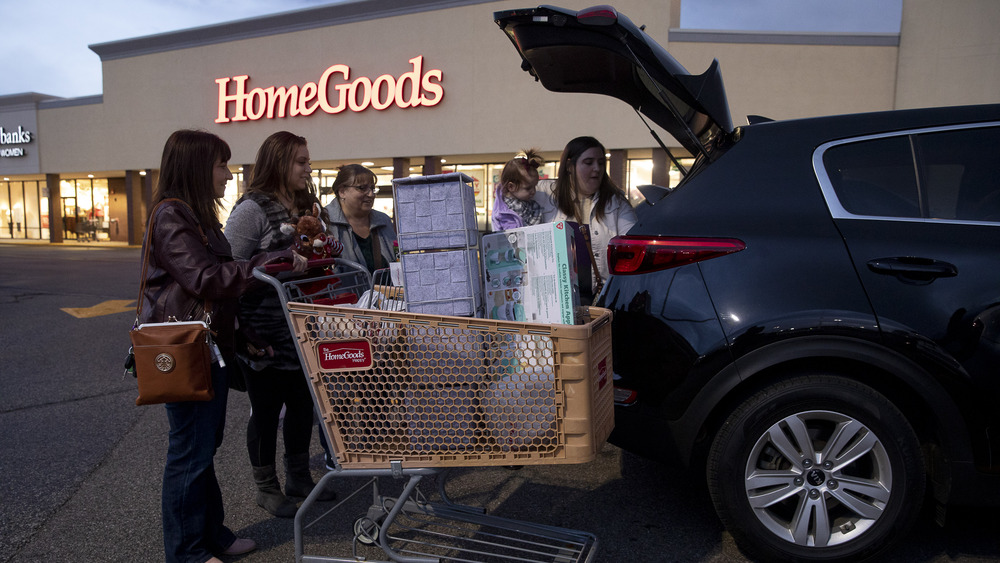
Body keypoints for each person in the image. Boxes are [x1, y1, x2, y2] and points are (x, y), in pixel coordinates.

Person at [141, 129, 305, 563]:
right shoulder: (171, 216)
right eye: (221, 164)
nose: (229, 174)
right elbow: (205, 279)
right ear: (197, 167)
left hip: (208, 344)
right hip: (184, 350)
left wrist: (243, 336)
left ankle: (212, 535)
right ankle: (187, 552)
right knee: (189, 452)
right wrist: (268, 263)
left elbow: (216, 288)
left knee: (202, 449)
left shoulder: (197, 215)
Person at [224, 131, 334, 518]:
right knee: (267, 410)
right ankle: (266, 488)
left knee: (303, 405)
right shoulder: (252, 209)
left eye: (308, 160)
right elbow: (230, 270)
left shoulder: (305, 204)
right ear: (279, 162)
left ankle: (299, 477)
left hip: (302, 326)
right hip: (263, 330)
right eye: (301, 161)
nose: (308, 167)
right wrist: (242, 333)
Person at [535, 136, 637, 295]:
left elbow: (633, 244)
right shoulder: (544, 194)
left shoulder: (616, 203)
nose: (597, 168)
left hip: (599, 301)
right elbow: (507, 196)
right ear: (569, 165)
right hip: (554, 298)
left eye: (601, 163)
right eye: (588, 163)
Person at [324, 164, 398, 273]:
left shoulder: (384, 221)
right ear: (342, 192)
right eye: (362, 188)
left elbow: (397, 260)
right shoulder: (324, 221)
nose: (371, 194)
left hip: (386, 290)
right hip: (343, 290)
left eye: (373, 188)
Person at [491, 149, 544, 231]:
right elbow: (498, 233)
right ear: (511, 187)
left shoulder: (534, 206)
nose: (533, 191)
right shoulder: (501, 212)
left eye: (534, 186)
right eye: (528, 188)